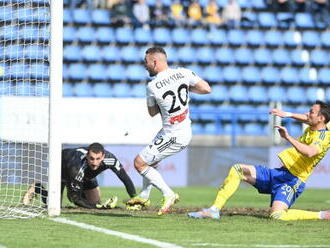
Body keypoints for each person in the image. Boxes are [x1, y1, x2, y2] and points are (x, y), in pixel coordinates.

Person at [188, 101, 330, 221]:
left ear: (321, 118)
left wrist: (288, 137)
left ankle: (322, 215)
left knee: (277, 215)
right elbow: (305, 118)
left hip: (293, 181)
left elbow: (310, 152)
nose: (307, 114)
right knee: (238, 170)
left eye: (311, 112)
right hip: (279, 174)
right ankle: (214, 210)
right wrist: (289, 114)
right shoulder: (315, 125)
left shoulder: (323, 138)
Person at [126, 47, 211, 215]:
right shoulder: (183, 73)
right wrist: (186, 89)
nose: (145, 65)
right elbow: (206, 89)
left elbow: (152, 113)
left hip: (174, 134)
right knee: (150, 161)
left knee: (139, 163)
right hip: (179, 128)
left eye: (146, 62)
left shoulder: (152, 86)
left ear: (155, 62)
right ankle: (144, 196)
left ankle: (168, 193)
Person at [22, 143, 137, 209]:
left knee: (95, 201)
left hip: (87, 175)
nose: (94, 162)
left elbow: (125, 178)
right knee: (54, 205)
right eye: (91, 158)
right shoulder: (76, 167)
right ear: (87, 156)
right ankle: (37, 188)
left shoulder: (110, 159)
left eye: (98, 159)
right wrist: (99, 208)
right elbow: (74, 199)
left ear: (103, 157)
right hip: (63, 167)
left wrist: (135, 198)